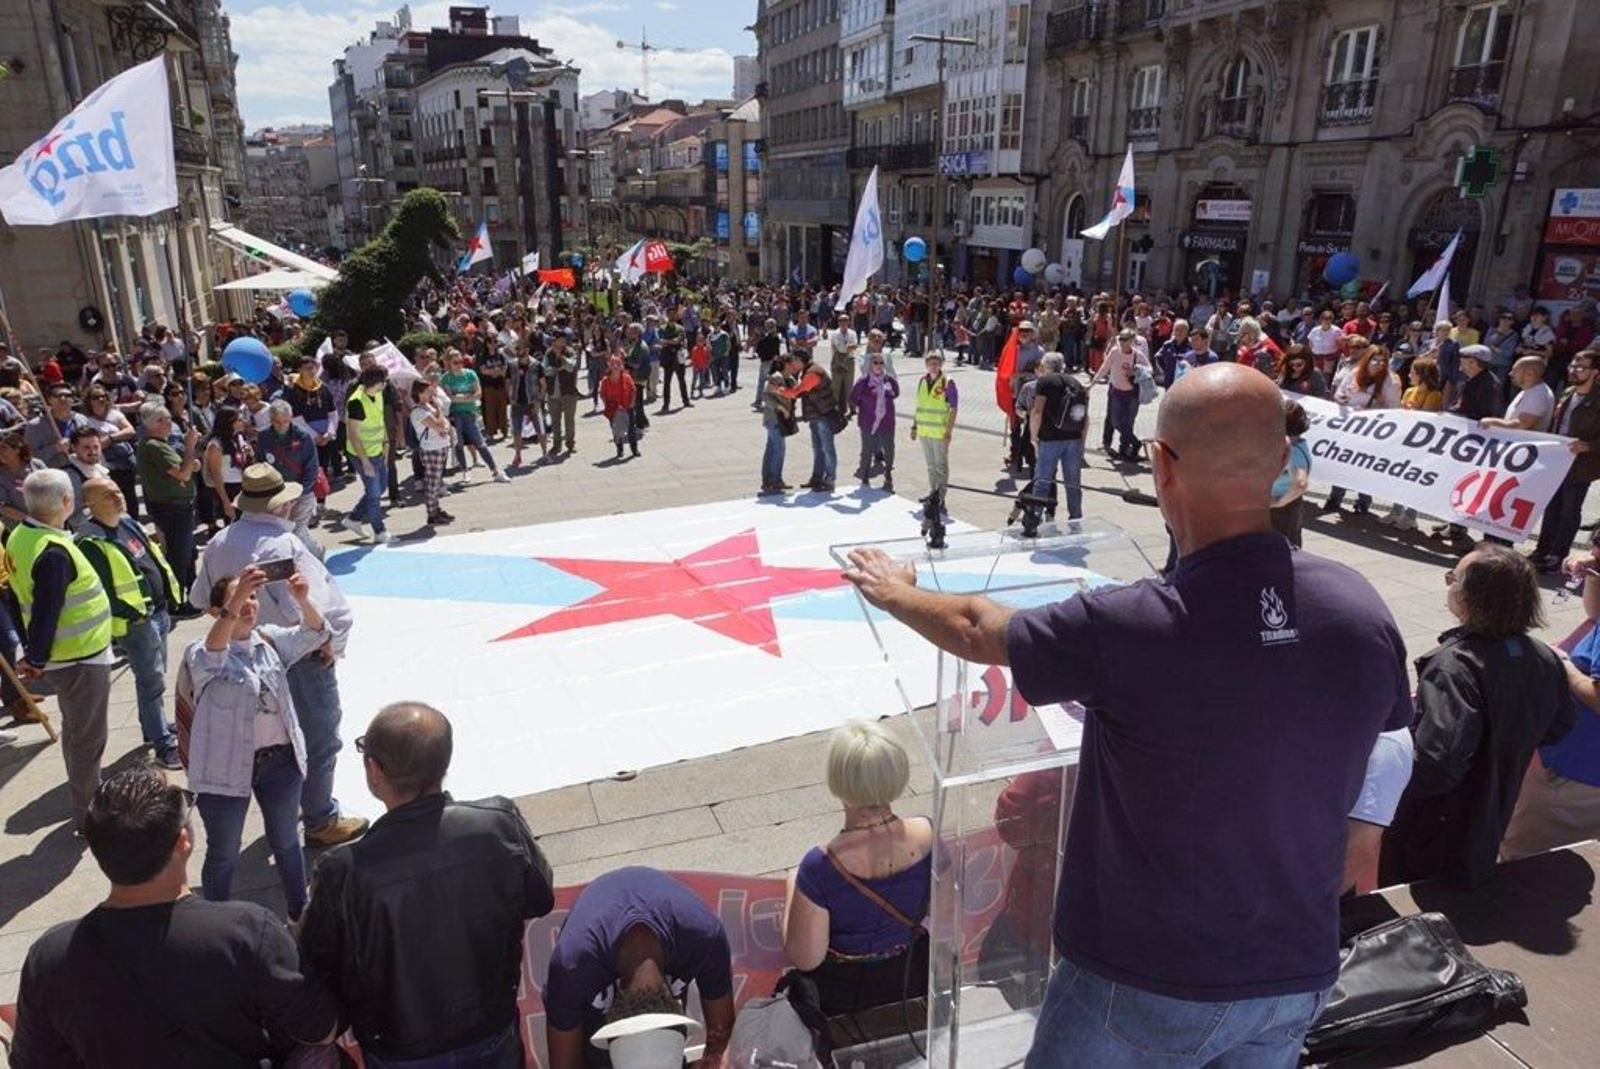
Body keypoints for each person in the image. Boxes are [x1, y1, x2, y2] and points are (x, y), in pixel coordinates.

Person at [843, 363, 1413, 1067]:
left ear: (1162, 464)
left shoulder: (1135, 625)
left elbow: (975, 627)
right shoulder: (1359, 605)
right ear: (1284, 466)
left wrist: (894, 591)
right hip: (1295, 967)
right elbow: (1388, 748)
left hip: (1142, 980)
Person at [10, 768, 338, 1067]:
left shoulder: (50, 956)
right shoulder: (247, 932)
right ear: (182, 840)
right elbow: (321, 1030)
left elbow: (32, 1062)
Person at [300, 702, 555, 1067]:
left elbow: (315, 958)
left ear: (374, 771)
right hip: (489, 1029)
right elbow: (540, 898)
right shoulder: (498, 824)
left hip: (400, 1047)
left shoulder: (343, 870)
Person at [191, 463, 367, 850]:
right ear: (280, 505)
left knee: (277, 740)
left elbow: (201, 599)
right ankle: (319, 816)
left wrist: (240, 632)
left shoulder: (221, 540)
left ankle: (294, 810)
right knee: (319, 737)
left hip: (248, 655)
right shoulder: (281, 546)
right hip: (296, 654)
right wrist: (327, 644)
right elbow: (302, 610)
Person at [1380, 545, 1572, 888]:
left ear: (1471, 597)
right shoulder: (1542, 656)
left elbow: (1437, 763)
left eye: (1453, 578)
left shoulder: (1454, 667)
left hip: (1435, 829)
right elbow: (1559, 725)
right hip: (1495, 810)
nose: (1448, 585)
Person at [187, 566, 330, 917]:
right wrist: (234, 601)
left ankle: (300, 910)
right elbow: (213, 654)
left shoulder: (267, 640)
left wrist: (302, 599)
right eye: (239, 598)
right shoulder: (200, 652)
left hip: (279, 763)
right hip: (223, 769)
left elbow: (316, 633)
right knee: (224, 851)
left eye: (252, 596)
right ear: (217, 610)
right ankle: (215, 922)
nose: (249, 603)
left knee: (285, 841)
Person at [782, 721, 932, 1016]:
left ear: (838, 780)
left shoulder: (820, 866)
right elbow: (947, 916)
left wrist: (792, 885)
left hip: (844, 1000)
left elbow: (806, 958)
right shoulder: (927, 833)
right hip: (910, 984)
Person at [7, 469, 116, 827]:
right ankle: (90, 815)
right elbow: (46, 609)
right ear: (67, 502)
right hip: (80, 658)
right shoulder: (53, 552)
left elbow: (16, 597)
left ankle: (87, 799)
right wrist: (34, 656)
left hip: (68, 657)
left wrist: (32, 651)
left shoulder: (20, 536)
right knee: (89, 738)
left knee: (76, 729)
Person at [544, 866, 736, 1069]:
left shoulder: (705, 936)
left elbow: (721, 1033)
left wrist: (713, 1062)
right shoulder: (571, 966)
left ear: (678, 1006)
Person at [1503, 533, 1600, 858]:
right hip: (1574, 767)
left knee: (1524, 868)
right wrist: (1594, 576)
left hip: (1576, 777)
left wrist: (1565, 669)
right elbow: (1596, 613)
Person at [77, 478, 183, 769]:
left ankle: (153, 727)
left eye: (117, 490)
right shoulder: (91, 541)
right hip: (137, 623)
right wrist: (135, 615)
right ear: (90, 504)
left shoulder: (128, 523)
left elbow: (150, 556)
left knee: (155, 677)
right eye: (107, 494)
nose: (117, 496)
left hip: (158, 614)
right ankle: (163, 745)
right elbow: (102, 590)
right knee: (152, 681)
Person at [1530, 349, 1600, 571]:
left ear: (1595, 372)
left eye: (1581, 367)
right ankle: (1543, 550)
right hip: (1558, 462)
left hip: (1582, 465)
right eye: (1572, 365)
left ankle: (1558, 555)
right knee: (1552, 508)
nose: (1574, 370)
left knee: (1569, 510)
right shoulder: (1568, 392)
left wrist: (1588, 445)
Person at [135, 402, 201, 592]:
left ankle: (188, 592)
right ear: (159, 422)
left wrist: (189, 462)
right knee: (179, 556)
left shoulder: (154, 444)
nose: (171, 423)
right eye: (168, 419)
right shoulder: (154, 446)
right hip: (173, 508)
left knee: (187, 553)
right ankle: (177, 598)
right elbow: (183, 474)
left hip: (174, 506)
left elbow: (183, 468)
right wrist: (190, 446)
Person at [1377, 357, 1446, 531]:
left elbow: (1425, 417)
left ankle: (1410, 517)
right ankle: (1396, 511)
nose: (1409, 374)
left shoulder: (1434, 395)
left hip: (1421, 445)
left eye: (1413, 372)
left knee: (1413, 480)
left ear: (1422, 375)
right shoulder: (1409, 391)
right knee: (1399, 477)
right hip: (1404, 440)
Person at [257, 400, 322, 556]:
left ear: (291, 418)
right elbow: (261, 465)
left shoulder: (303, 436)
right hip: (277, 495)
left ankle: (317, 553)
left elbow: (312, 469)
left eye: (286, 421)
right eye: (277, 422)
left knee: (298, 531)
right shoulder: (264, 437)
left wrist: (297, 494)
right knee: (280, 533)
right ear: (271, 420)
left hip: (302, 492)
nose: (282, 426)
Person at [1030, 353, 1088, 521]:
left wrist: (1034, 436)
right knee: (1073, 483)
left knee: (1042, 481)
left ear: (1045, 365)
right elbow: (1084, 416)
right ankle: (1076, 518)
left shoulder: (1044, 382)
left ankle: (1034, 519)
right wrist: (1082, 440)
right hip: (1073, 438)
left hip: (1050, 439)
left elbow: (1037, 411)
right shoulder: (1075, 382)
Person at [441, 349, 511, 483]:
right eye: (455, 362)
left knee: (480, 443)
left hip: (469, 413)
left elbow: (479, 394)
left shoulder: (470, 374)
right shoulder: (446, 378)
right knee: (458, 444)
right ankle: (465, 471)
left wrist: (460, 397)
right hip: (454, 415)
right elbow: (449, 398)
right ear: (449, 363)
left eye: (461, 361)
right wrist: (468, 397)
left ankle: (496, 471)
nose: (459, 364)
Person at [343, 365, 393, 544]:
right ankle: (379, 532)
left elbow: (380, 420)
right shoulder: (356, 401)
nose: (387, 383)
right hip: (361, 454)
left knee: (381, 487)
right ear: (377, 383)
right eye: (385, 380)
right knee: (373, 494)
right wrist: (365, 462)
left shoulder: (378, 393)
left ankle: (354, 518)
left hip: (377, 450)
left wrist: (386, 443)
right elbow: (353, 435)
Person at [777, 349, 838, 493]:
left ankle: (829, 480)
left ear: (799, 360)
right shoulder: (808, 370)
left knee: (827, 449)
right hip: (817, 416)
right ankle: (817, 478)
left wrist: (779, 390)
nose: (792, 365)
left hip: (823, 416)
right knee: (818, 448)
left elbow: (798, 391)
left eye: (793, 361)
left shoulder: (813, 372)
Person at [1090, 328, 1151, 461]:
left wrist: (1136, 371)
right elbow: (1104, 368)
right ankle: (1136, 443)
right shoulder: (1114, 352)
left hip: (1132, 394)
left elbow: (1149, 369)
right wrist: (1092, 383)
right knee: (1116, 421)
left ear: (1131, 341)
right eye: (1120, 339)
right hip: (1117, 392)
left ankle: (1124, 450)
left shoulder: (1137, 355)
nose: (1121, 342)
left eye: (1124, 340)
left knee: (1128, 422)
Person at [80, 387, 140, 520]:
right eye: (96, 397)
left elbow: (130, 430)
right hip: (103, 465)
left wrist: (111, 438)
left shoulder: (115, 414)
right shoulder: (85, 420)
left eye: (104, 396)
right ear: (89, 401)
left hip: (123, 464)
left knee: (129, 497)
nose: (101, 399)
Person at [849, 349, 898, 492]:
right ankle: (864, 475)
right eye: (875, 362)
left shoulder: (889, 380)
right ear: (870, 365)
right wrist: (865, 406)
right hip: (868, 421)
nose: (878, 365)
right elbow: (852, 399)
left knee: (889, 449)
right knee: (867, 450)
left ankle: (888, 473)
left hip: (887, 421)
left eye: (881, 363)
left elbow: (896, 393)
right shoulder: (863, 381)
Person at [910, 351, 958, 499]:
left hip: (940, 432)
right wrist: (914, 426)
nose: (933, 366)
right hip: (924, 431)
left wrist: (949, 431)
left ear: (941, 364)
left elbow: (953, 408)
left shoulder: (947, 382)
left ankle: (940, 496)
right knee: (931, 466)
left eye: (936, 363)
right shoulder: (922, 381)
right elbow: (920, 406)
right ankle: (933, 492)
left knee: (940, 466)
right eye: (930, 363)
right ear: (926, 365)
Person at [410, 380, 455, 524]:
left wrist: (444, 425)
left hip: (440, 446)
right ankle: (432, 514)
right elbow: (439, 425)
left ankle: (436, 510)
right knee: (432, 484)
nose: (432, 394)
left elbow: (445, 423)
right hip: (431, 449)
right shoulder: (418, 411)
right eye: (428, 392)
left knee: (436, 482)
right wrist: (440, 415)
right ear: (419, 393)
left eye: (432, 391)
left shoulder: (428, 406)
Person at [1269, 400, 1313, 548]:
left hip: (1281, 511)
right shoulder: (1299, 443)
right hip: (1288, 507)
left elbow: (1301, 484)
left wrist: (1275, 502)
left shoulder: (1292, 451)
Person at [203, 405, 254, 527]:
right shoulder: (215, 445)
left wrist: (249, 452)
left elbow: (243, 461)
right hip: (228, 489)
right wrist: (226, 503)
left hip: (243, 485)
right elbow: (216, 475)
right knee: (233, 526)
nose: (244, 422)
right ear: (229, 423)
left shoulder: (239, 437)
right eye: (239, 420)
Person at [1481, 355, 1555, 434]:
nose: (1510, 374)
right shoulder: (1528, 390)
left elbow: (1521, 424)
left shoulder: (1539, 395)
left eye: (1515, 371)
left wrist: (1492, 422)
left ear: (1529, 374)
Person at [61, 426, 107, 532]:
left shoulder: (99, 469)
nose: (93, 451)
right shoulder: (71, 476)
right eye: (86, 447)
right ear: (74, 448)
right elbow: (75, 516)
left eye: (96, 447)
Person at [544, 332, 582, 456]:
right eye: (558, 340)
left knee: (569, 420)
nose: (560, 342)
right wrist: (556, 368)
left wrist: (562, 357)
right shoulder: (548, 353)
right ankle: (556, 445)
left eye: (562, 340)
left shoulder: (570, 351)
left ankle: (570, 443)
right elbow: (545, 370)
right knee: (555, 421)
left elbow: (572, 367)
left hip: (569, 391)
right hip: (553, 392)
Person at [0, 430, 45, 529]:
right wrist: (31, 521)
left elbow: (52, 489)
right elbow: (3, 508)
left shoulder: (37, 465)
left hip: (48, 520)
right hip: (21, 528)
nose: (0, 452)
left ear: (17, 449)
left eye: (4, 448)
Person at [600, 354, 640, 460]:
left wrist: (632, 403)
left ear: (622, 365)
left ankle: (634, 449)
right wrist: (607, 405)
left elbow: (633, 390)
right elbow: (603, 395)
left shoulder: (626, 377)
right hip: (613, 410)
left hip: (627, 407)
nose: (616, 366)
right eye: (613, 364)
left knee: (631, 429)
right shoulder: (605, 380)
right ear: (609, 366)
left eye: (618, 364)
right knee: (617, 430)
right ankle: (620, 450)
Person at [829, 313, 859, 415]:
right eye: (841, 320)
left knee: (849, 385)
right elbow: (834, 347)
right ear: (838, 322)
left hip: (849, 360)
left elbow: (855, 345)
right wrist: (847, 348)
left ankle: (852, 407)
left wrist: (848, 347)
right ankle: (834, 408)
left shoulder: (852, 333)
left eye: (845, 320)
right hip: (837, 359)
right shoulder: (834, 333)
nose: (843, 322)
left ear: (849, 322)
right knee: (836, 385)